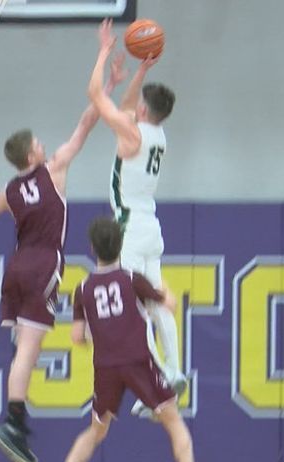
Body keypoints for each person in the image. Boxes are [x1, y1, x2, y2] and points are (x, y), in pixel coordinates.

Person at [0, 45, 128, 462]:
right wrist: (107, 88)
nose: (44, 143)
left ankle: (17, 419)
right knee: (27, 354)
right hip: (42, 266)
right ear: (33, 156)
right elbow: (87, 123)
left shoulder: (9, 190)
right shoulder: (54, 168)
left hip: (16, 267)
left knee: (23, 347)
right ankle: (14, 422)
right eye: (37, 142)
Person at [35, 217, 210, 462]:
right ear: (121, 246)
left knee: (96, 430)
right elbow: (169, 306)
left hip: (106, 367)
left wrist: (103, 331)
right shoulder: (132, 279)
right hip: (139, 361)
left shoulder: (83, 288)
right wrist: (163, 285)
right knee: (174, 421)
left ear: (93, 248)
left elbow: (77, 336)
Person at [88, 20, 188, 421]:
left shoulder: (131, 134)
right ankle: (176, 368)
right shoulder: (157, 135)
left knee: (131, 309)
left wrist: (104, 49)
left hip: (129, 227)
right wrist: (142, 71)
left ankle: (161, 375)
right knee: (157, 298)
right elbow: (130, 108)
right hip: (151, 227)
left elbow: (97, 95)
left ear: (144, 110)